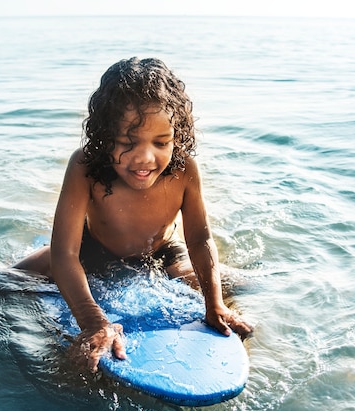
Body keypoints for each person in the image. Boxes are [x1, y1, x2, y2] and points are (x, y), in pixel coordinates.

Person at [13, 57, 253, 372]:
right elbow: (65, 253)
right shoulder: (85, 167)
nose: (145, 158)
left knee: (240, 285)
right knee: (5, 282)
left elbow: (199, 237)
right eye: (127, 142)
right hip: (93, 251)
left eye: (161, 142)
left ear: (176, 137)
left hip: (161, 252)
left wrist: (214, 303)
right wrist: (93, 320)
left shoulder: (184, 170)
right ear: (105, 136)